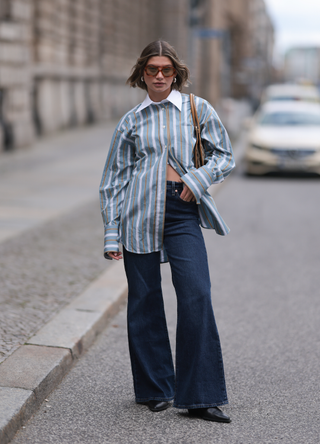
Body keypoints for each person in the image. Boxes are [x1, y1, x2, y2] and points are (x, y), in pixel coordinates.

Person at [99, 40, 235, 423]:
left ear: (176, 73)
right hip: (138, 213)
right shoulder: (131, 121)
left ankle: (201, 395)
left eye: (167, 70)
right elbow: (113, 179)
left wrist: (199, 178)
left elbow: (225, 155)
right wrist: (112, 231)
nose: (160, 75)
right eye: (152, 69)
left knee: (196, 294)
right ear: (141, 73)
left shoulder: (196, 109)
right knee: (144, 301)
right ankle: (155, 389)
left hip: (181, 211)